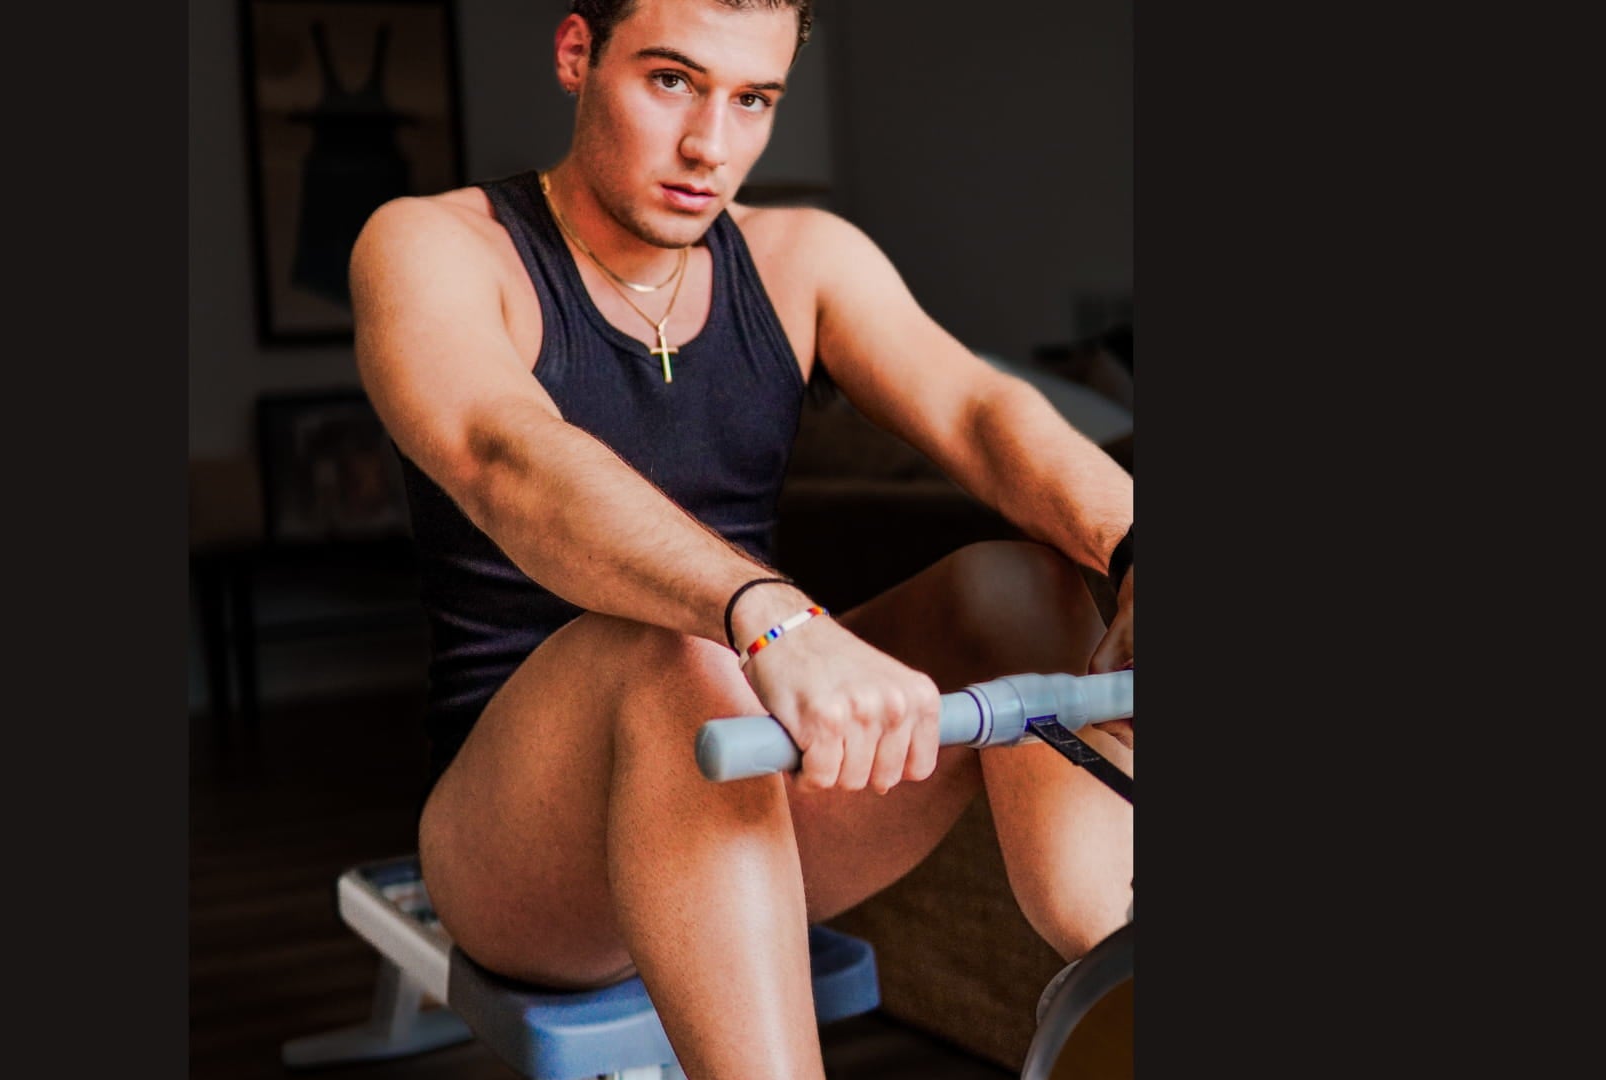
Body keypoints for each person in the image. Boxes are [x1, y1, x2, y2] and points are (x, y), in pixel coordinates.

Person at [348, 2, 1133, 1076]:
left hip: (755, 783)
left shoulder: (803, 256)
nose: (710, 145)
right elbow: (507, 456)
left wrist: (1133, 554)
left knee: (1023, 592)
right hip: (526, 846)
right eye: (672, 81)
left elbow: (981, 416)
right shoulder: (434, 246)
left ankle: (1118, 999)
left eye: (752, 98)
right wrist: (768, 616)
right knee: (678, 655)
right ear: (578, 55)